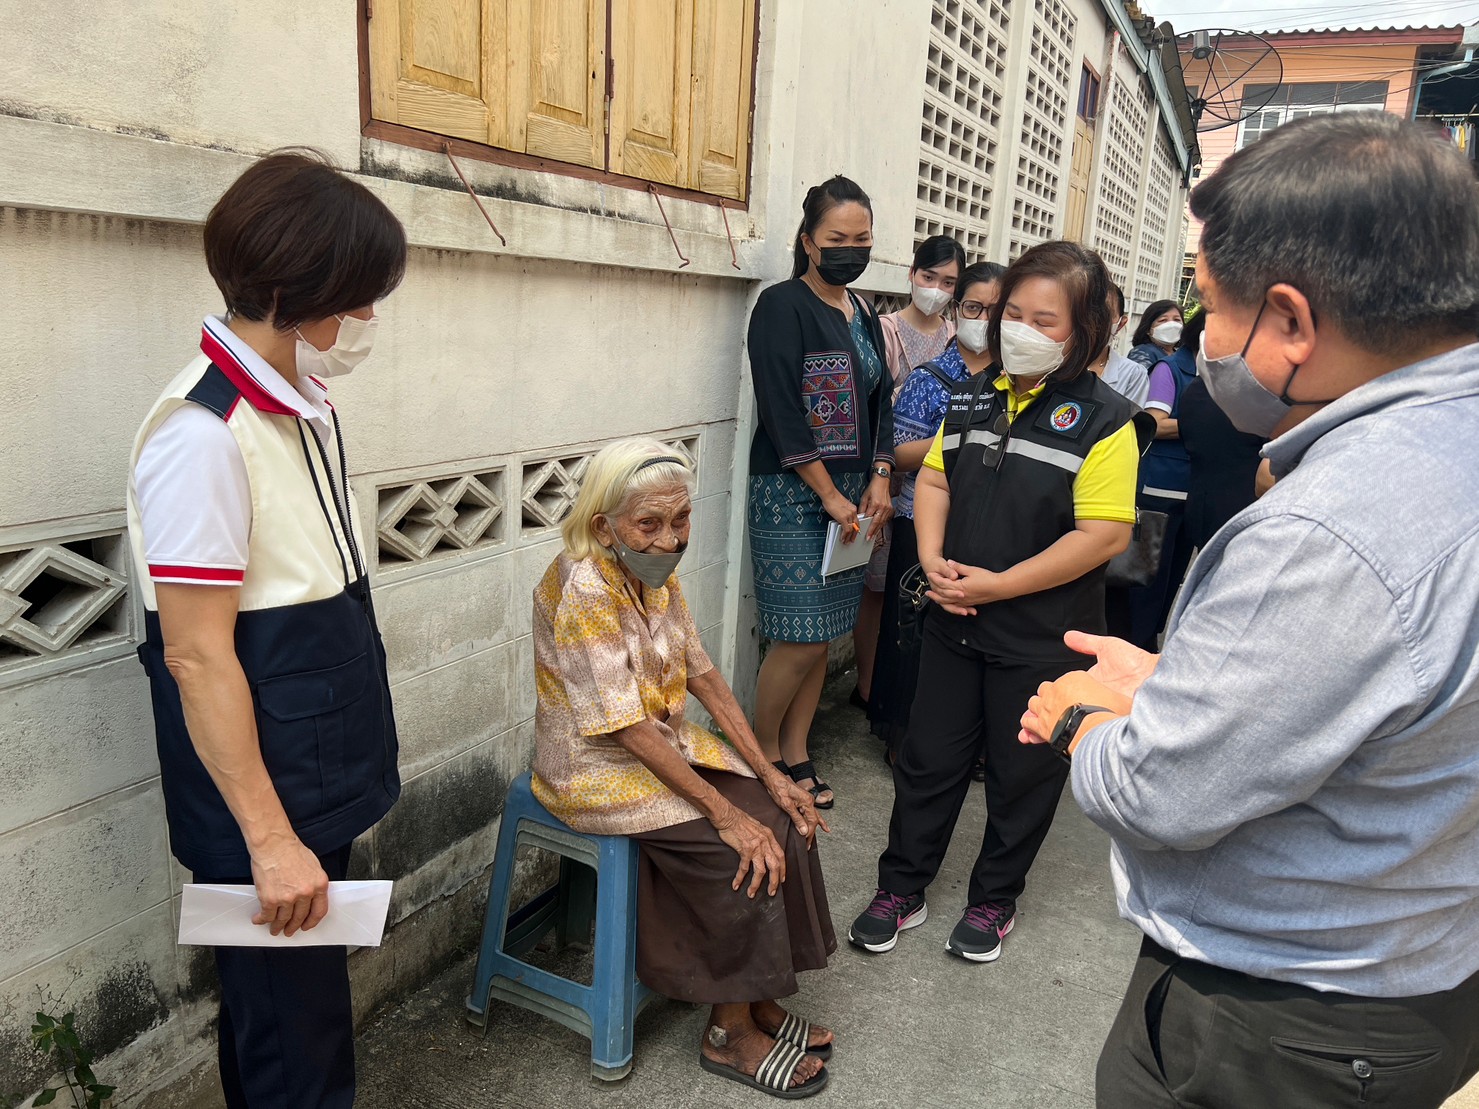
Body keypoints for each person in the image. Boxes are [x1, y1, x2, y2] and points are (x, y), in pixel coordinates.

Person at [1020, 113, 1479, 1109]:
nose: (1203, 340)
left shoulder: (1333, 532)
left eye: (1209, 310)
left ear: (1291, 322)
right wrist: (1181, 687)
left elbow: (1160, 793)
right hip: (1418, 971)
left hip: (1284, 1026)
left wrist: (1085, 717)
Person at [127, 150, 406, 1109]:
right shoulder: (203, 436)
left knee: (296, 1027)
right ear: (300, 291)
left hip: (307, 773)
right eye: (359, 296)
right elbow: (196, 653)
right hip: (266, 802)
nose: (368, 318)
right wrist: (269, 839)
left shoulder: (299, 409)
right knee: (296, 1046)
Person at [848, 242, 1150, 963]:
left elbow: (1102, 535)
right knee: (927, 761)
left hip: (1043, 639)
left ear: (1082, 333)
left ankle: (992, 901)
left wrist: (999, 585)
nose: (1016, 328)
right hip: (954, 621)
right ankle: (902, 887)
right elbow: (942, 482)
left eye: (1042, 319)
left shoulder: (1108, 420)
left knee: (1021, 779)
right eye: (1011, 311)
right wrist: (928, 558)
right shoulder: (974, 394)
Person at [531, 439, 835, 1099]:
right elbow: (626, 728)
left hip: (659, 740)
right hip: (592, 767)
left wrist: (773, 774)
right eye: (649, 524)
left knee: (784, 816)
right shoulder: (586, 585)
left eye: (681, 519)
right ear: (603, 525)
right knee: (735, 847)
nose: (669, 539)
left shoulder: (655, 575)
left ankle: (757, 997)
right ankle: (726, 1032)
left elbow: (705, 677)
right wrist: (724, 814)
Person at [746, 176, 896, 810]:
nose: (850, 248)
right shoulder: (782, 305)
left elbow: (881, 400)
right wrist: (829, 494)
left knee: (827, 630)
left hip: (855, 496)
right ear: (808, 240)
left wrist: (881, 476)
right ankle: (759, 757)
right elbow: (782, 410)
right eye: (837, 238)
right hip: (791, 491)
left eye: (861, 239)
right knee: (800, 634)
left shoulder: (862, 312)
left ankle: (797, 751)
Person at [868, 260, 1005, 765]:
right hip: (919, 522)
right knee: (913, 637)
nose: (983, 319)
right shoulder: (932, 378)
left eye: (995, 310)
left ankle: (960, 745)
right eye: (973, 307)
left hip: (982, 529)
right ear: (957, 308)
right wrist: (959, 440)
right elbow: (898, 453)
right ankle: (903, 739)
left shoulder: (1015, 381)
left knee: (965, 638)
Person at [852, 234, 965, 713]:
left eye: (949, 282)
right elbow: (871, 404)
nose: (937, 289)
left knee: (911, 587)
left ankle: (896, 691)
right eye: (929, 276)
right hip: (885, 475)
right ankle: (867, 685)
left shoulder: (957, 333)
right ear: (911, 274)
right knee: (874, 587)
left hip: (932, 485)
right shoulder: (885, 329)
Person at [1122, 309, 1203, 649]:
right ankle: (1134, 644)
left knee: (1173, 582)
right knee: (1148, 580)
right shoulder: (1170, 369)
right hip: (1160, 491)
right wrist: (1204, 424)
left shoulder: (1211, 371)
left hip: (1193, 491)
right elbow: (1153, 423)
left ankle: (1150, 642)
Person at [1177, 370, 1266, 550]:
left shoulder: (1196, 389)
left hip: (1201, 506)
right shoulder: (1262, 394)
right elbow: (1267, 478)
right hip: (1247, 512)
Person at [1094, 284, 1150, 407]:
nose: (1094, 321)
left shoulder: (1132, 374)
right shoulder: (1054, 364)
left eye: (1104, 315)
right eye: (1084, 312)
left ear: (1120, 324)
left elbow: (1128, 422)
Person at [1127, 299, 1183, 371]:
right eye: (1163, 320)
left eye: (1177, 320)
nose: (1172, 325)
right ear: (1148, 329)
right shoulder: (1142, 353)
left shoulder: (1182, 354)